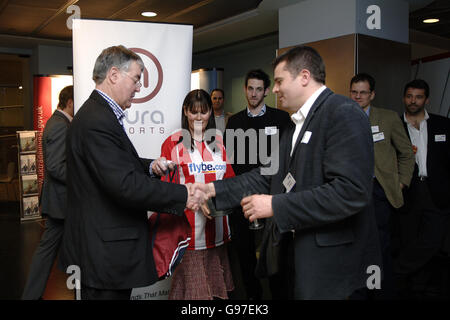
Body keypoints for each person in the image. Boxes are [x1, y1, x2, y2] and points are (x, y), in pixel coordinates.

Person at [195, 45, 381, 299]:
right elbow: (269, 174)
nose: (274, 89)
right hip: (294, 252)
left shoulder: (342, 113)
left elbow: (350, 192)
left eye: (280, 81)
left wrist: (276, 205)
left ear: (304, 77)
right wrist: (215, 189)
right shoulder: (296, 125)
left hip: (331, 264)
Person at [59, 45, 206, 300]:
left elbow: (116, 165)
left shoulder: (99, 114)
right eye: (136, 79)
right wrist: (183, 194)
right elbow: (124, 184)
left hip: (103, 249)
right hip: (103, 255)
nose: (139, 88)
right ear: (114, 75)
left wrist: (149, 166)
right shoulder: (97, 121)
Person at [158, 89, 235, 300]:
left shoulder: (218, 141)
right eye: (194, 112)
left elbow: (229, 178)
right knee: (193, 291)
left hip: (217, 228)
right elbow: (166, 188)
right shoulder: (173, 143)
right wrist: (193, 199)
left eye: (203, 112)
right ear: (185, 112)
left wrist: (217, 200)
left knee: (215, 289)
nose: (199, 117)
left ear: (210, 112)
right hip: (188, 229)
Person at [224, 69, 290, 299]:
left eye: (259, 89)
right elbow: (229, 160)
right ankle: (252, 297)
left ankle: (277, 294)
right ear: (245, 89)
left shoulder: (280, 119)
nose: (254, 94)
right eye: (250, 88)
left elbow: (288, 158)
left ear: (266, 91)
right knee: (243, 251)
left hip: (272, 196)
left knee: (274, 251)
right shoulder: (234, 121)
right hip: (242, 196)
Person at [349, 73, 415, 299]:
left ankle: (376, 290)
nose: (358, 97)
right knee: (355, 243)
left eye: (363, 92)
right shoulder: (342, 117)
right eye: (354, 92)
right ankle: (359, 290)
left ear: (372, 94)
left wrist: (402, 182)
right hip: (352, 191)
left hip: (379, 192)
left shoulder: (387, 118)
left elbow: (407, 154)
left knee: (379, 245)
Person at [393, 79, 450, 298]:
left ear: (426, 99)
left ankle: (396, 271)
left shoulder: (443, 125)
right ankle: (415, 287)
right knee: (409, 240)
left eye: (418, 97)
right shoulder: (395, 125)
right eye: (409, 96)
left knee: (433, 240)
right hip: (408, 190)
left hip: (437, 192)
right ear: (404, 98)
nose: (413, 101)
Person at [21, 85, 74, 300]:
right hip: (62, 202)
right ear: (70, 102)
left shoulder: (58, 123)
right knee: (48, 250)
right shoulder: (60, 126)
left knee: (53, 249)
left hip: (62, 202)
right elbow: (56, 167)